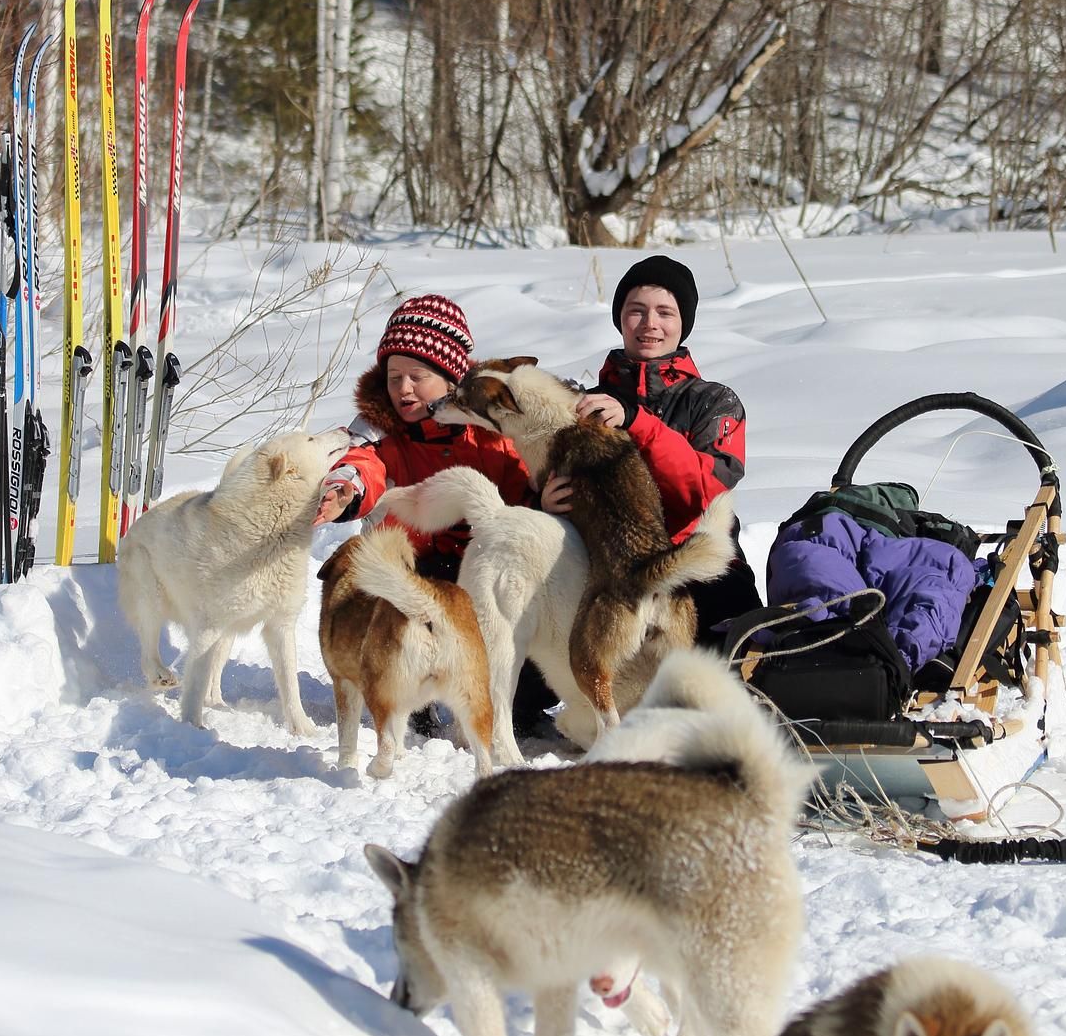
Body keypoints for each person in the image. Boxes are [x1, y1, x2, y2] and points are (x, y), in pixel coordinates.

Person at [315, 295, 549, 735]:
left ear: (450, 378)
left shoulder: (492, 435)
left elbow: (525, 492)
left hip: (480, 572)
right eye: (394, 377)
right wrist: (345, 491)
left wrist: (547, 496)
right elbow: (364, 465)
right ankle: (410, 694)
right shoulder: (381, 431)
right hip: (414, 574)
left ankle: (521, 702)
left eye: (417, 377)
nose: (403, 389)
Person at [543, 255, 763, 641]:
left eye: (665, 312)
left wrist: (637, 423)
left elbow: (704, 492)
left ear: (683, 324)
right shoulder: (585, 405)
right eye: (636, 311)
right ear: (620, 319)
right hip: (605, 572)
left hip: (699, 568)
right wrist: (544, 504)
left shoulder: (714, 402)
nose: (650, 324)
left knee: (735, 666)